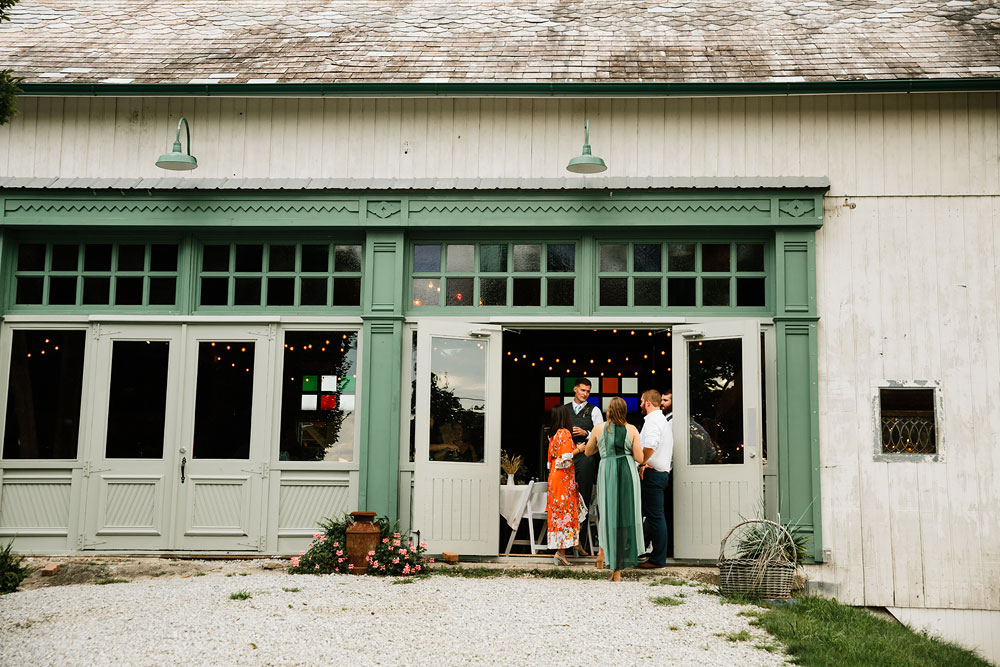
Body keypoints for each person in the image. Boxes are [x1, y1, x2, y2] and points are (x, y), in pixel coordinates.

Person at [584, 397, 643, 582]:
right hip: (627, 472)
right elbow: (640, 457)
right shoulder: (632, 429)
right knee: (625, 516)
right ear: (624, 411)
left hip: (607, 471)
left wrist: (603, 448)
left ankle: (602, 551)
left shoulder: (598, 428)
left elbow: (587, 451)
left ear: (609, 410)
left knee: (608, 513)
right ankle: (617, 568)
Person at [565, 377, 603, 554]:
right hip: (568, 455)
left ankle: (580, 542)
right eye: (582, 390)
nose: (585, 394)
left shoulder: (594, 410)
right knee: (565, 498)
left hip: (586, 457)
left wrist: (586, 432)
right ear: (575, 390)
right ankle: (564, 542)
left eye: (588, 391)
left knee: (583, 497)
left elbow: (601, 434)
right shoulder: (564, 409)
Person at [638, 389, 673, 570]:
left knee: (655, 517)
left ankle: (658, 559)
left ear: (648, 403)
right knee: (654, 517)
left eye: (642, 401)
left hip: (653, 475)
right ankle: (652, 555)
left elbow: (650, 444)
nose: (640, 404)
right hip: (659, 474)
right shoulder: (662, 420)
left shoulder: (653, 421)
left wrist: (642, 462)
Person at [546, 406, 583, 566]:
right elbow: (564, 459)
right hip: (563, 480)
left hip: (554, 479)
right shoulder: (565, 433)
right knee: (565, 514)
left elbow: (551, 462)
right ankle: (561, 552)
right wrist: (579, 449)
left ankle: (573, 543)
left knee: (559, 514)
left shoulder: (552, 435)